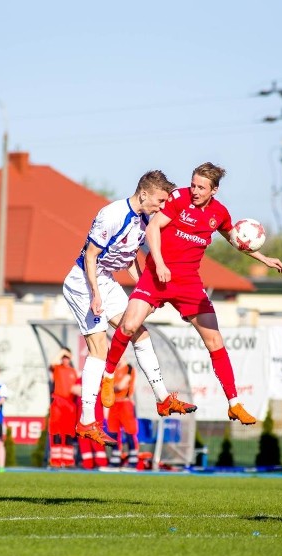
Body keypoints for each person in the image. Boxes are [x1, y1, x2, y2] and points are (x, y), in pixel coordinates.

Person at [100, 162, 282, 424]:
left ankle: (234, 403)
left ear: (214, 190)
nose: (195, 190)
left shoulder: (219, 213)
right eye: (194, 184)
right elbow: (153, 228)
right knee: (129, 325)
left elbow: (236, 239)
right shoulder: (178, 198)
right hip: (156, 275)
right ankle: (107, 377)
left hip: (188, 282)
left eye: (201, 187)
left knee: (215, 341)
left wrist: (263, 258)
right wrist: (160, 264)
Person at [64, 169, 193, 448]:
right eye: (160, 200)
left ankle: (163, 399)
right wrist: (95, 295)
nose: (162, 206)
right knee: (98, 348)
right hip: (83, 281)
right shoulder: (111, 215)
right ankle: (86, 421)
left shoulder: (144, 219)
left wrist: (143, 289)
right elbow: (90, 255)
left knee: (139, 332)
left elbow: (133, 256)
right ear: (143, 193)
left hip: (106, 280)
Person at [48, 349, 81, 468]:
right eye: (64, 357)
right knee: (56, 431)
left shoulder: (73, 371)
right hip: (58, 402)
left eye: (67, 357)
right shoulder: (57, 368)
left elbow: (77, 386)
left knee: (69, 432)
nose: (65, 359)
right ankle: (56, 460)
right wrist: (61, 352)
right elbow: (52, 363)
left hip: (70, 404)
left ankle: (68, 461)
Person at [106, 358, 140, 469]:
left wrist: (112, 387)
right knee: (113, 433)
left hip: (125, 404)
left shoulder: (128, 368)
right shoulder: (112, 369)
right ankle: (115, 460)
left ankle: (133, 461)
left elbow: (120, 386)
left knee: (130, 433)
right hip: (114, 404)